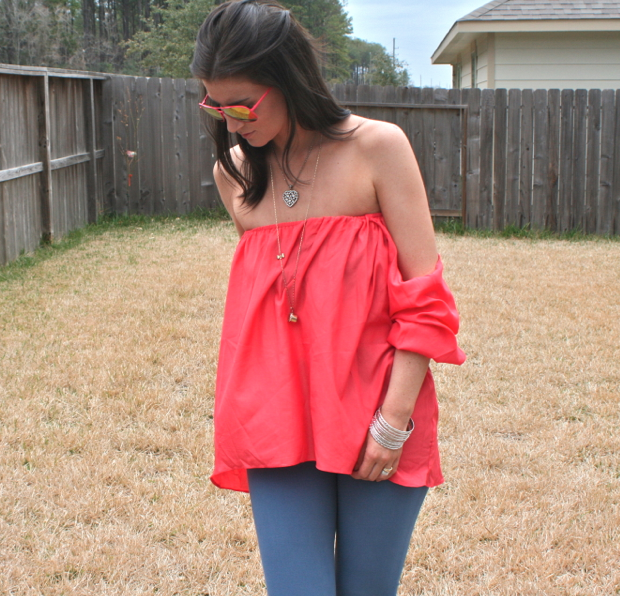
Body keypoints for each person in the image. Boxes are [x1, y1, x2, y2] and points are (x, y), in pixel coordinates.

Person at [191, 1, 466, 594]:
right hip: (277, 421)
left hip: (376, 417)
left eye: (242, 105)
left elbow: (426, 302)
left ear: (289, 78)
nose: (231, 123)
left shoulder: (378, 148)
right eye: (215, 105)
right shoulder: (234, 174)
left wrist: (393, 422)